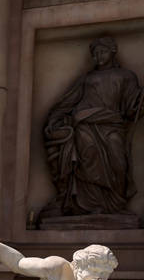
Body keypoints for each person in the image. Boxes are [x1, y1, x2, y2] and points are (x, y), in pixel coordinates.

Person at [36, 36, 142, 225]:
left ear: (113, 52)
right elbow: (67, 102)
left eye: (102, 52)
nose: (98, 56)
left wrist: (139, 105)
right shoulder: (87, 79)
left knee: (118, 163)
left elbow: (131, 107)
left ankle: (114, 206)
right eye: (95, 53)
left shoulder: (126, 77)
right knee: (87, 159)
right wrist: (55, 119)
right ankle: (90, 206)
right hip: (84, 126)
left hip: (112, 127)